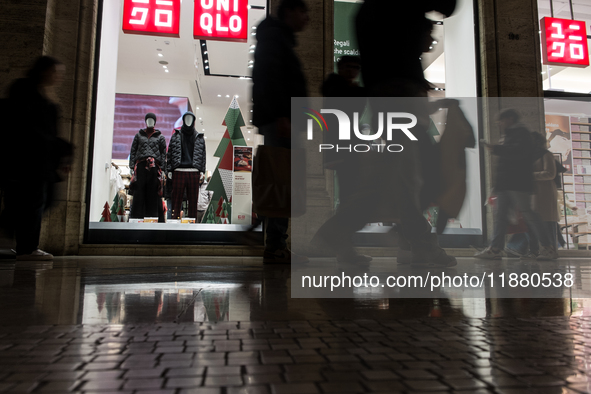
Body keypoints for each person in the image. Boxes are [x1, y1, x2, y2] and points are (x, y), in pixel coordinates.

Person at [355, 1, 458, 267]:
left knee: (406, 175)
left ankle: (413, 238)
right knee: (424, 174)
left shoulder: (368, 12)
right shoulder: (389, 14)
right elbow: (446, 5)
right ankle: (412, 237)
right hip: (399, 95)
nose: (432, 37)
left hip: (390, 95)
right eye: (430, 31)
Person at [252, 0, 309, 264]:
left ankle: (275, 242)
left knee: (282, 180)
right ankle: (275, 244)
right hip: (281, 120)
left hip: (283, 119)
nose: (307, 18)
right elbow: (271, 78)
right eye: (303, 11)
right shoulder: (275, 38)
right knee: (281, 181)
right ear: (289, 12)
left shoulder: (278, 38)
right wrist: (281, 115)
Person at [0, 56, 72, 261]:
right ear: (44, 71)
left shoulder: (41, 93)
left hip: (38, 159)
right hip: (26, 159)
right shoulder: (25, 91)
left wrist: (62, 153)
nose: (59, 76)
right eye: (56, 72)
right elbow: (27, 128)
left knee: (40, 200)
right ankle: (26, 246)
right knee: (34, 201)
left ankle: (22, 241)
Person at [476, 110, 558, 260]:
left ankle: (548, 247)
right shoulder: (509, 135)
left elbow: (517, 154)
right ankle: (494, 249)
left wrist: (496, 149)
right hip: (507, 183)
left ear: (510, 119)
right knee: (501, 216)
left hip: (517, 182)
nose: (499, 124)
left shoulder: (521, 133)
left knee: (528, 214)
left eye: (501, 121)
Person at [505, 132, 560, 259]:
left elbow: (550, 173)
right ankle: (533, 250)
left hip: (545, 193)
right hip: (531, 193)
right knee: (530, 223)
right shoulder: (527, 156)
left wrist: (530, 176)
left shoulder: (546, 154)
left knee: (546, 222)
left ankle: (549, 250)